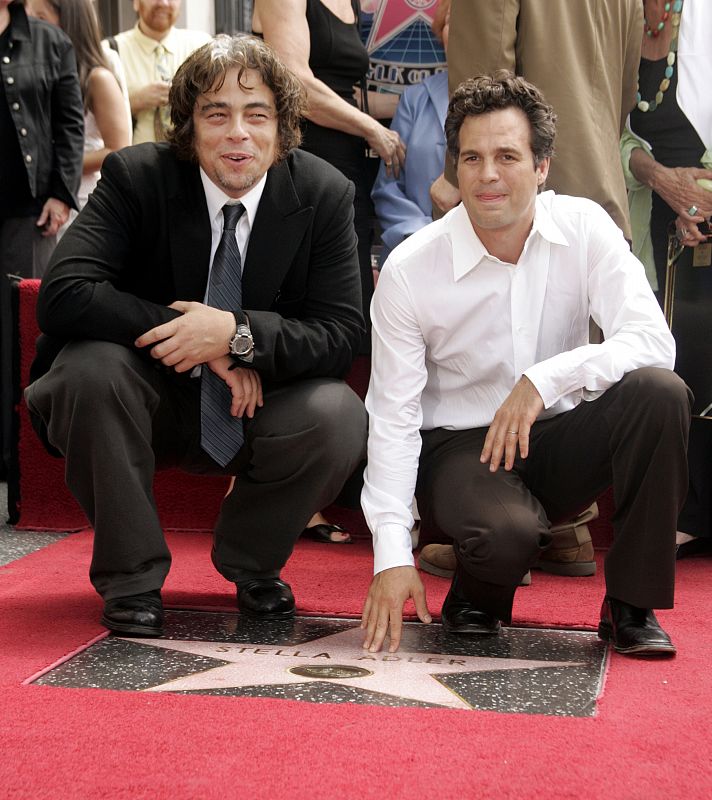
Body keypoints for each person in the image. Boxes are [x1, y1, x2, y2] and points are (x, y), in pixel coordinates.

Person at [24, 34, 367, 638]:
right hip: (144, 400)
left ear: (283, 127)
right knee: (86, 371)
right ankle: (132, 580)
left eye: (256, 114)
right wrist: (195, 338)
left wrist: (235, 335)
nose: (238, 133)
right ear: (188, 127)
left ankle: (253, 563)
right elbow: (63, 293)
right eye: (217, 113)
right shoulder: (136, 176)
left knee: (338, 414)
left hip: (257, 405)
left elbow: (341, 333)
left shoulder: (325, 193)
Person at [360, 72, 691, 658]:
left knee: (659, 392)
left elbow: (652, 340)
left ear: (542, 167)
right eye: (472, 157)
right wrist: (391, 554)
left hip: (558, 436)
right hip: (459, 451)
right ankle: (477, 594)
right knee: (507, 533)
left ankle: (630, 608)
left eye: (508, 156)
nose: (488, 174)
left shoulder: (584, 228)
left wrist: (547, 378)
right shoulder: (412, 269)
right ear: (454, 168)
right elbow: (391, 415)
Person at [253, 0, 404, 543]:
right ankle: (284, 491)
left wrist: (427, 103)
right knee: (303, 318)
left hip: (351, 175)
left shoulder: (359, 4)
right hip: (306, 166)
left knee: (340, 326)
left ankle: (312, 481)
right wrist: (376, 131)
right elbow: (295, 83)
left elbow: (350, 89)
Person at [430, 0, 642, 242]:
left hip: (524, 221)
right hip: (605, 209)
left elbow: (481, 90)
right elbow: (627, 89)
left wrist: (455, 174)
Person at [621, 0, 712, 558]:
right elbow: (611, 130)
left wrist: (702, 201)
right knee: (666, 360)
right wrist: (661, 180)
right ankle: (682, 508)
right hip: (649, 218)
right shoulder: (625, 20)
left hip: (705, 215)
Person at [0, 0, 83, 277]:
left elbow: (70, 125)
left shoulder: (51, 41)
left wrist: (62, 195)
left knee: (24, 311)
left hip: (30, 209)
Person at [26, 0, 131, 217]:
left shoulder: (97, 78)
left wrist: (58, 166)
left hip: (81, 203)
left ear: (69, 22)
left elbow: (118, 149)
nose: (31, 27)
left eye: (40, 19)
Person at [370, 0, 450, 263]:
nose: (459, 30)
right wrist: (421, 235)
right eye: (450, 22)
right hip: (420, 253)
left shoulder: (513, 99)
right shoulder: (416, 99)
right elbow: (388, 186)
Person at [106, 0, 211, 144]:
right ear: (136, 3)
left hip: (190, 158)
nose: (163, 3)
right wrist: (131, 102)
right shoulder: (110, 52)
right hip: (134, 161)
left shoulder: (202, 47)